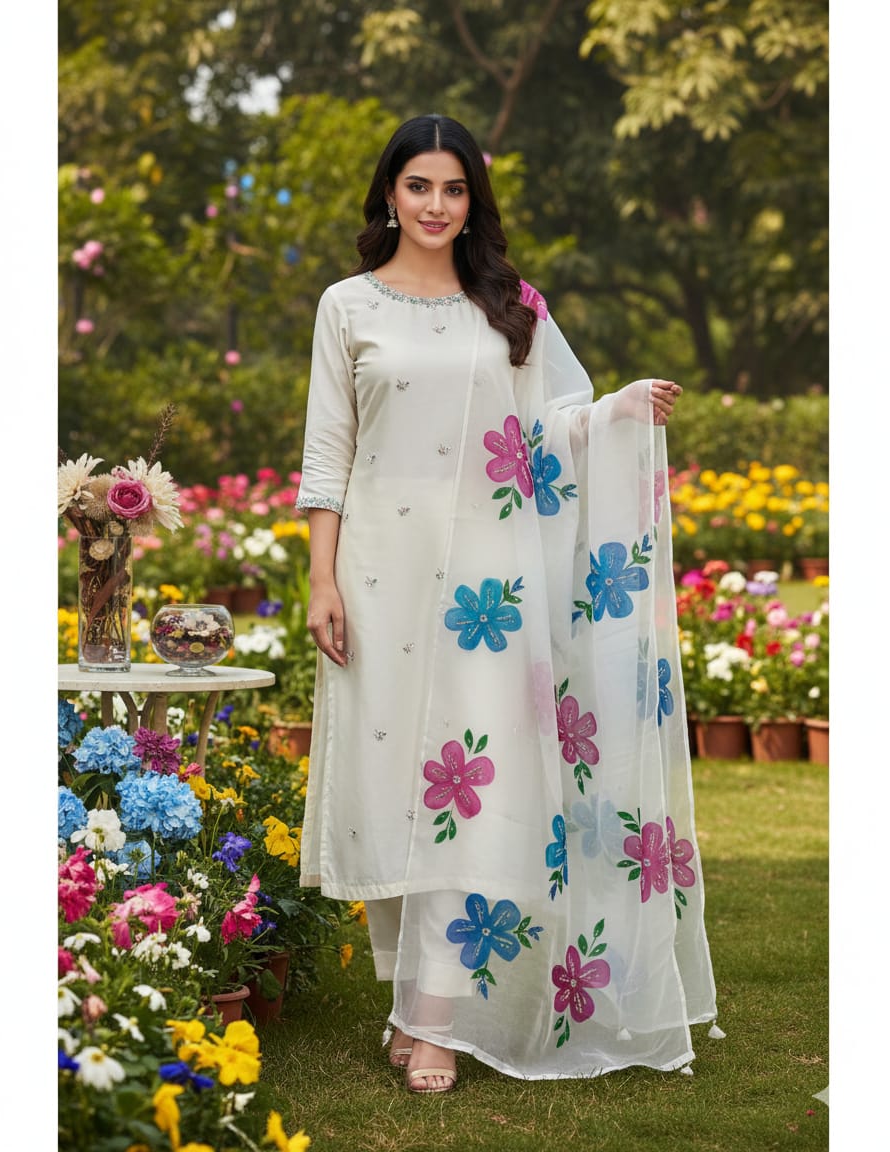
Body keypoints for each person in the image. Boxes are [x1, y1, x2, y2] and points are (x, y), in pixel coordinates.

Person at [295, 113, 721, 1094]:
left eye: (453, 189)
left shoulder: (510, 307)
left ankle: (437, 1021)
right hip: (378, 572)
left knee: (467, 787)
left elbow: (548, 427)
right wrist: (321, 577)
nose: (435, 205)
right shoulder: (346, 306)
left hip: (488, 586)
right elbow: (328, 451)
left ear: (471, 201)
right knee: (390, 785)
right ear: (389, 194)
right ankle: (410, 997)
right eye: (418, 186)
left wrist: (614, 413)